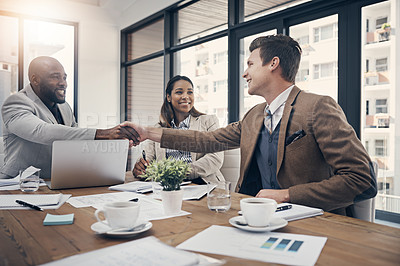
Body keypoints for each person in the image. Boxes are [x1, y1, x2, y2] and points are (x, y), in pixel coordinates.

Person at [123, 34, 377, 216]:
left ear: (273, 64)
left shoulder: (318, 107)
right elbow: (204, 140)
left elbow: (362, 180)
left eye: (250, 64)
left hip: (314, 222)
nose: (245, 73)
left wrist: (287, 194)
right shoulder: (254, 116)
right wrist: (147, 133)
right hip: (255, 218)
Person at [1, 56, 136, 179]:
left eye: (64, 78)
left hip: (55, 181)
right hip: (18, 184)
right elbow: (42, 132)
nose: (63, 83)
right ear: (35, 79)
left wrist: (115, 142)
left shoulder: (64, 107)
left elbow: (76, 139)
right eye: (55, 77)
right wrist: (104, 133)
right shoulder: (16, 102)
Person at [133, 75, 224, 184]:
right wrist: (140, 167)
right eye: (179, 92)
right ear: (168, 97)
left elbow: (215, 158)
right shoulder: (158, 129)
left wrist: (181, 172)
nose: (186, 96)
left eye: (190, 92)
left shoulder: (209, 121)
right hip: (168, 187)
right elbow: (147, 158)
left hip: (203, 184)